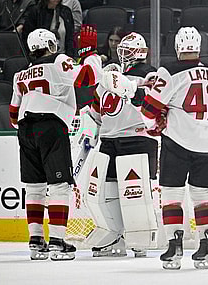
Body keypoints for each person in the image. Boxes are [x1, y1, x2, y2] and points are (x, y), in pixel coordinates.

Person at [9, 27, 102, 261]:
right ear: (51, 45)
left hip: (25, 128)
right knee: (59, 185)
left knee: (35, 187)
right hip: (50, 126)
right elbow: (88, 78)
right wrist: (90, 52)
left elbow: (12, 115)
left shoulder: (20, 75)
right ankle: (58, 242)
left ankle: (36, 240)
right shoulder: (59, 60)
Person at [134, 26, 208, 270]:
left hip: (178, 141)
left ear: (177, 47)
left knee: (172, 195)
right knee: (203, 196)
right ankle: (207, 245)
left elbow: (149, 109)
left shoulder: (169, 71)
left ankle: (175, 245)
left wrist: (153, 126)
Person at [84, 32, 159, 258]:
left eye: (127, 50)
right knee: (105, 191)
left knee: (135, 191)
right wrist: (88, 133)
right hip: (109, 139)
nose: (122, 54)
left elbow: (152, 101)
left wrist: (130, 86)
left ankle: (140, 236)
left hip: (138, 137)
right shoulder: (110, 75)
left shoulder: (150, 74)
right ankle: (115, 234)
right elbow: (95, 111)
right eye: (121, 50)